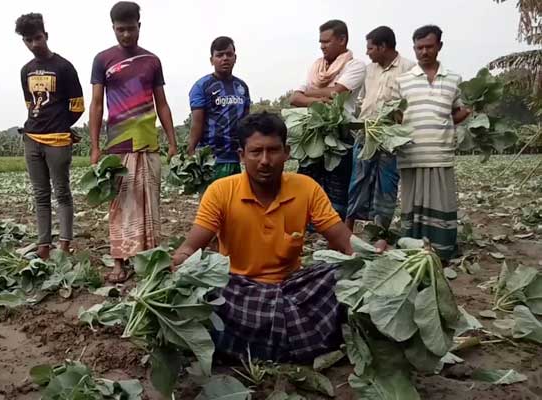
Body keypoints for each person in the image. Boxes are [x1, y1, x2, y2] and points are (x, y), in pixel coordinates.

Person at [172, 112, 383, 362]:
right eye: (255, 152)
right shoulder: (220, 192)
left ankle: (248, 344)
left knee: (340, 274)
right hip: (238, 291)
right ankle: (301, 340)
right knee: (212, 291)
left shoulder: (306, 188)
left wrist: (373, 256)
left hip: (294, 290)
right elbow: (190, 247)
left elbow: (345, 242)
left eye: (273, 151)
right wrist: (183, 261)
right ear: (242, 155)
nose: (265, 160)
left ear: (287, 152)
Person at [89, 1, 178, 283]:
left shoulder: (152, 61)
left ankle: (150, 260)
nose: (126, 35)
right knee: (119, 205)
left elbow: (161, 103)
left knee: (150, 205)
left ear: (139, 25)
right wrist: (95, 145)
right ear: (113, 28)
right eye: (120, 30)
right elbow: (96, 104)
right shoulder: (103, 60)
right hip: (118, 144)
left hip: (149, 144)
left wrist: (172, 140)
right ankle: (119, 263)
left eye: (130, 29)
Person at [392, 25, 470, 262]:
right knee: (412, 204)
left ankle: (441, 251)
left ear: (439, 46)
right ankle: (414, 250)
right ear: (414, 49)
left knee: (440, 201)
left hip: (440, 152)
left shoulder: (454, 79)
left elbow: (459, 111)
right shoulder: (402, 81)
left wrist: (450, 121)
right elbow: (395, 115)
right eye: (419, 47)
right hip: (412, 153)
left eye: (429, 46)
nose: (424, 52)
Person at [15, 13, 84, 259]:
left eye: (38, 38)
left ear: (46, 36)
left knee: (62, 191)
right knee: (40, 194)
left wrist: (60, 125)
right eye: (28, 40)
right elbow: (29, 103)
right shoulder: (26, 71)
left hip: (57, 141)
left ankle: (64, 244)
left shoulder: (64, 67)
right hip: (32, 138)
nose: (34, 44)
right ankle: (43, 245)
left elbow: (77, 106)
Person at [290, 19, 365, 220]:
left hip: (340, 135)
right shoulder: (316, 67)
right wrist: (320, 98)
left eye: (327, 41)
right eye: (320, 42)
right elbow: (294, 98)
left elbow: (336, 94)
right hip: (313, 134)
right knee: (305, 185)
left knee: (337, 191)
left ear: (342, 40)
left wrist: (310, 93)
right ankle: (304, 234)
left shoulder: (355, 66)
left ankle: (334, 239)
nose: (322, 46)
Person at [346, 26, 415, 231]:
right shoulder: (368, 70)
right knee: (358, 179)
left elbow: (411, 104)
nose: (367, 52)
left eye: (370, 48)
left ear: (383, 47)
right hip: (366, 132)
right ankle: (348, 226)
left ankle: (381, 230)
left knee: (387, 183)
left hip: (390, 135)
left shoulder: (409, 69)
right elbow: (363, 99)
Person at [187, 36, 250, 181]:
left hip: (236, 158)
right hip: (212, 160)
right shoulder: (201, 86)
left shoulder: (242, 87)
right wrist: (190, 152)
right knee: (212, 202)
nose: (225, 58)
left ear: (235, 57)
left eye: (229, 54)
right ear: (212, 60)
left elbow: (247, 123)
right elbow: (197, 124)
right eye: (219, 55)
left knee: (235, 201)